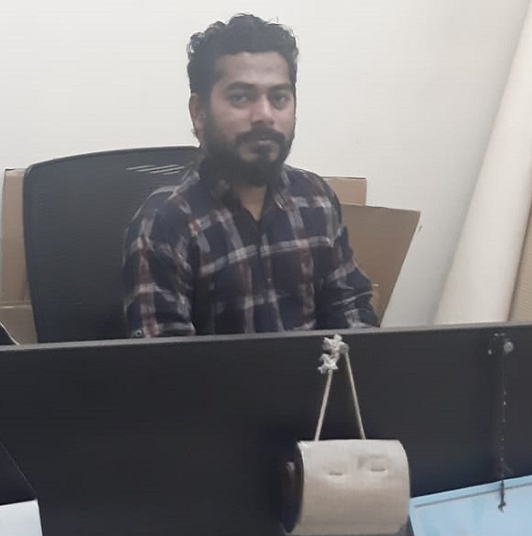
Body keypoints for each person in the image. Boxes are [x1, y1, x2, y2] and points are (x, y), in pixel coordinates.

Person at [123, 14, 377, 337]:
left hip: (313, 373)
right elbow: (165, 362)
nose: (264, 116)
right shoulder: (165, 224)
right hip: (218, 375)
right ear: (198, 112)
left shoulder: (316, 200)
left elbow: (351, 311)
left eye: (279, 98)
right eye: (241, 97)